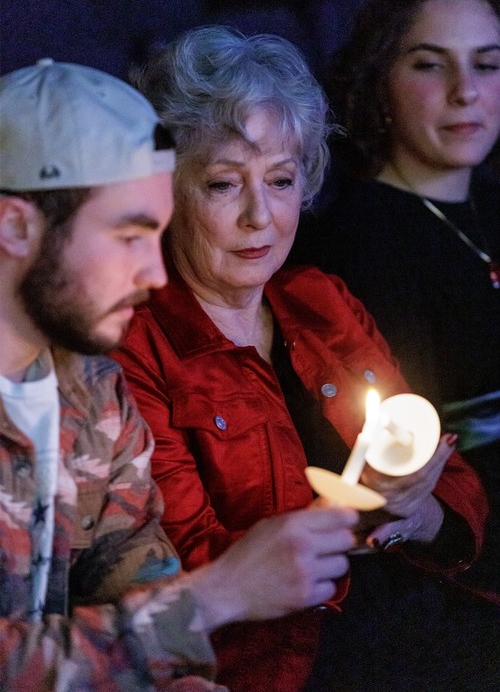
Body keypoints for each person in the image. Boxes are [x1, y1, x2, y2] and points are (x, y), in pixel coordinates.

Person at [112, 26, 497, 692]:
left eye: (282, 180)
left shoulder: (320, 300)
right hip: (288, 665)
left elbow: (457, 486)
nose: (260, 216)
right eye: (223, 185)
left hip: (423, 621)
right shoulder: (137, 346)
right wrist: (347, 522)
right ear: (166, 194)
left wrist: (414, 512)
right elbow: (179, 575)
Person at [0, 58, 361, 692]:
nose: (155, 274)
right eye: (128, 236)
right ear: (16, 228)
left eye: (159, 234)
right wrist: (219, 592)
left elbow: (138, 586)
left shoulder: (94, 391)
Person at [289, 0, 500, 603]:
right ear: (380, 82)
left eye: (488, 64)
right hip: (456, 554)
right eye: (431, 65)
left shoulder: (490, 201)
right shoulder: (355, 242)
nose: (466, 91)